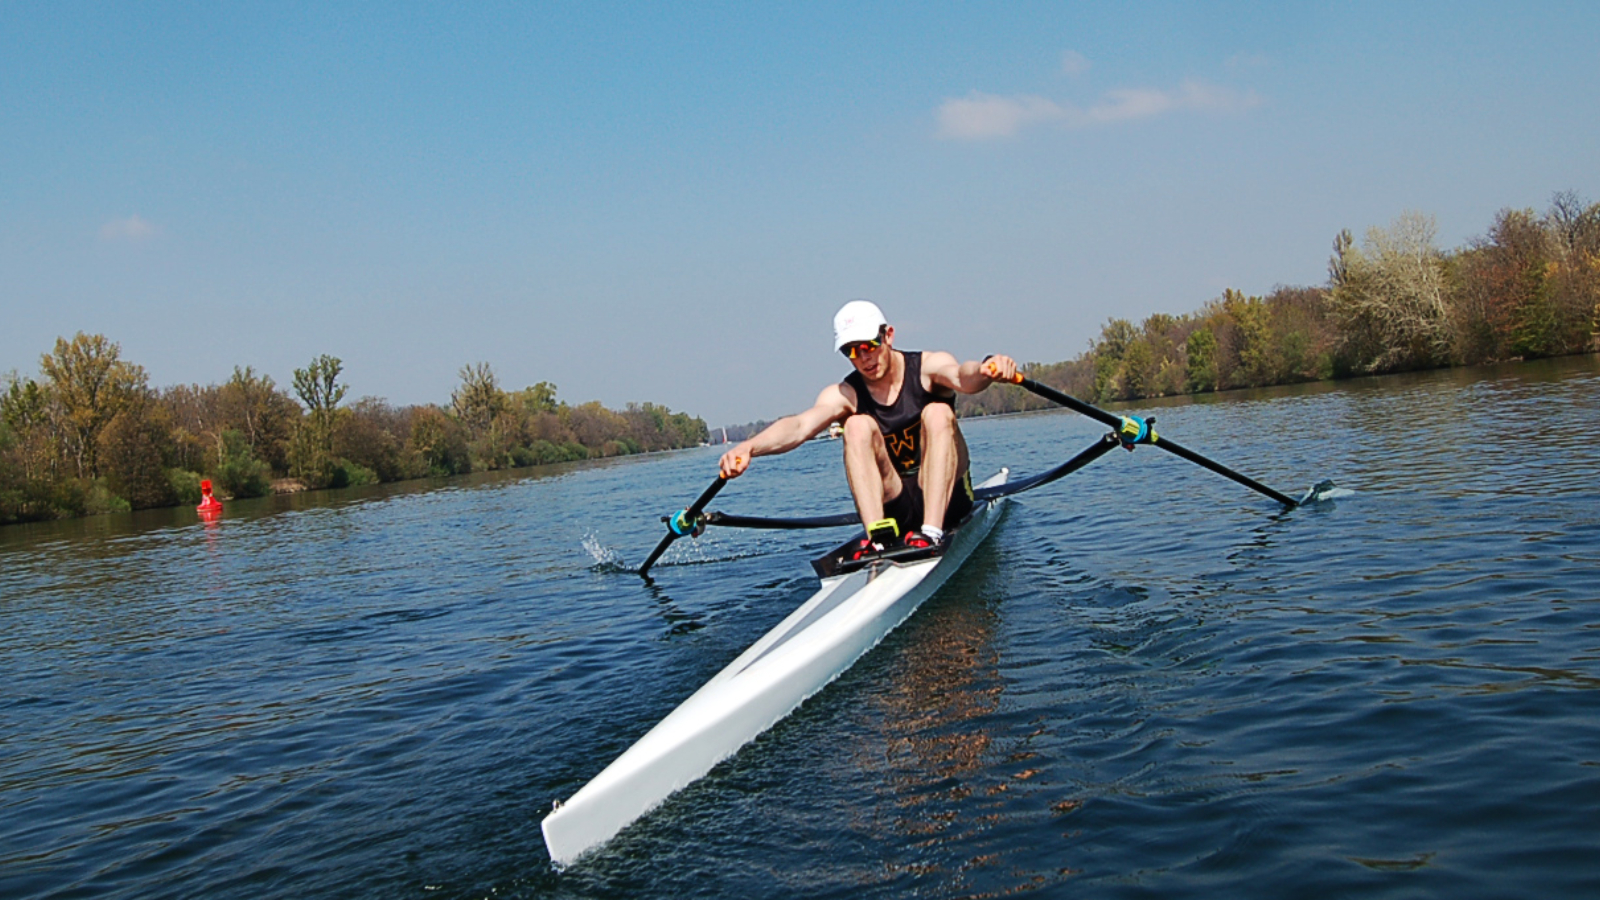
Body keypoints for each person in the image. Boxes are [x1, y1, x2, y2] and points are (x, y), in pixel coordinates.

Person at [719, 300, 1018, 560]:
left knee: (938, 412)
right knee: (857, 425)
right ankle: (878, 539)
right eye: (852, 350)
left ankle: (932, 533)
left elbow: (963, 378)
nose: (864, 357)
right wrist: (749, 448)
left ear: (888, 335)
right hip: (896, 506)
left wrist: (985, 368)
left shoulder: (928, 367)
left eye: (868, 346)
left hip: (948, 498)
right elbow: (799, 426)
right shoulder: (847, 393)